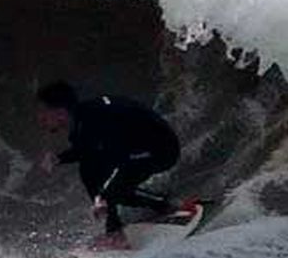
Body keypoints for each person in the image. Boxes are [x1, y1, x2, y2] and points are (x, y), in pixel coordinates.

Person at [37, 80, 182, 249]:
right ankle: (163, 205)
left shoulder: (95, 121)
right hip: (138, 150)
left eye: (43, 113)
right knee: (92, 172)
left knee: (106, 185)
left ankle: (116, 233)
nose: (39, 118)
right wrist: (58, 158)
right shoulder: (82, 120)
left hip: (161, 150)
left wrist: (103, 197)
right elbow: (87, 150)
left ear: (60, 113)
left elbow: (120, 161)